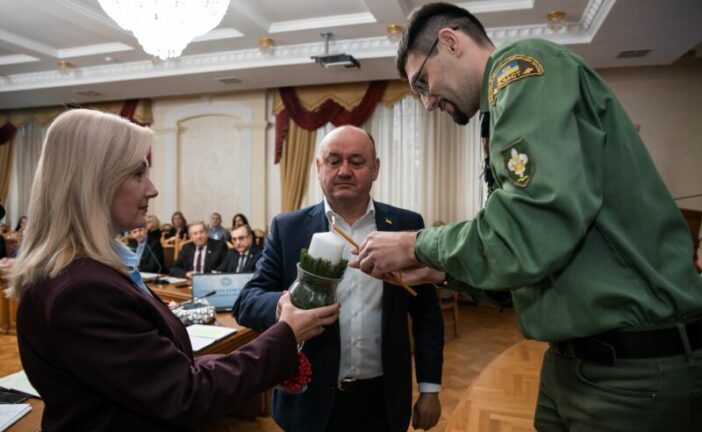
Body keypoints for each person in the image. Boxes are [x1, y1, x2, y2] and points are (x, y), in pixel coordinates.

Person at [352, 3, 702, 431]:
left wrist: (416, 244)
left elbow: (531, 225)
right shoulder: (498, 108)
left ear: (450, 42)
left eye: (423, 82)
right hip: (573, 362)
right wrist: (439, 272)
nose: (426, 103)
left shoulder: (520, 71)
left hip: (632, 371)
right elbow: (527, 261)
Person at [6, 109, 340, 431]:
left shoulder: (88, 272)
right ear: (94, 182)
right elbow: (186, 395)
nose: (152, 189)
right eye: (138, 173)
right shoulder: (83, 291)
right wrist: (287, 333)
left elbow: (165, 374)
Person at [233, 125, 444, 432]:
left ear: (375, 169)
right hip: (308, 401)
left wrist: (429, 389)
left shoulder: (405, 225)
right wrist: (284, 307)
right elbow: (247, 301)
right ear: (319, 168)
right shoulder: (286, 228)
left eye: (356, 162)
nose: (344, 170)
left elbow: (426, 315)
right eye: (334, 161)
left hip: (382, 401)